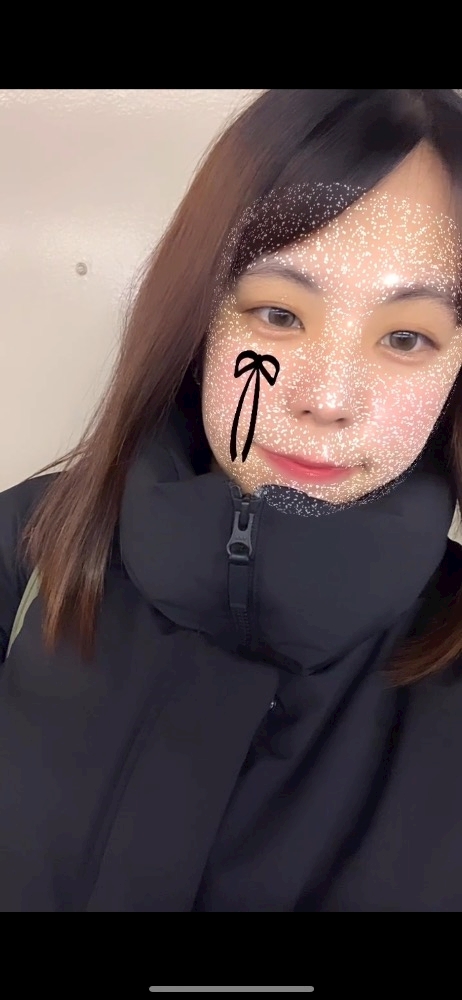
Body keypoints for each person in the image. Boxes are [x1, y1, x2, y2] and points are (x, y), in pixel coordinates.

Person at [1, 89, 462, 912]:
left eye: (405, 337)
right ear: (199, 320)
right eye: (279, 315)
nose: (327, 399)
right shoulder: (22, 549)